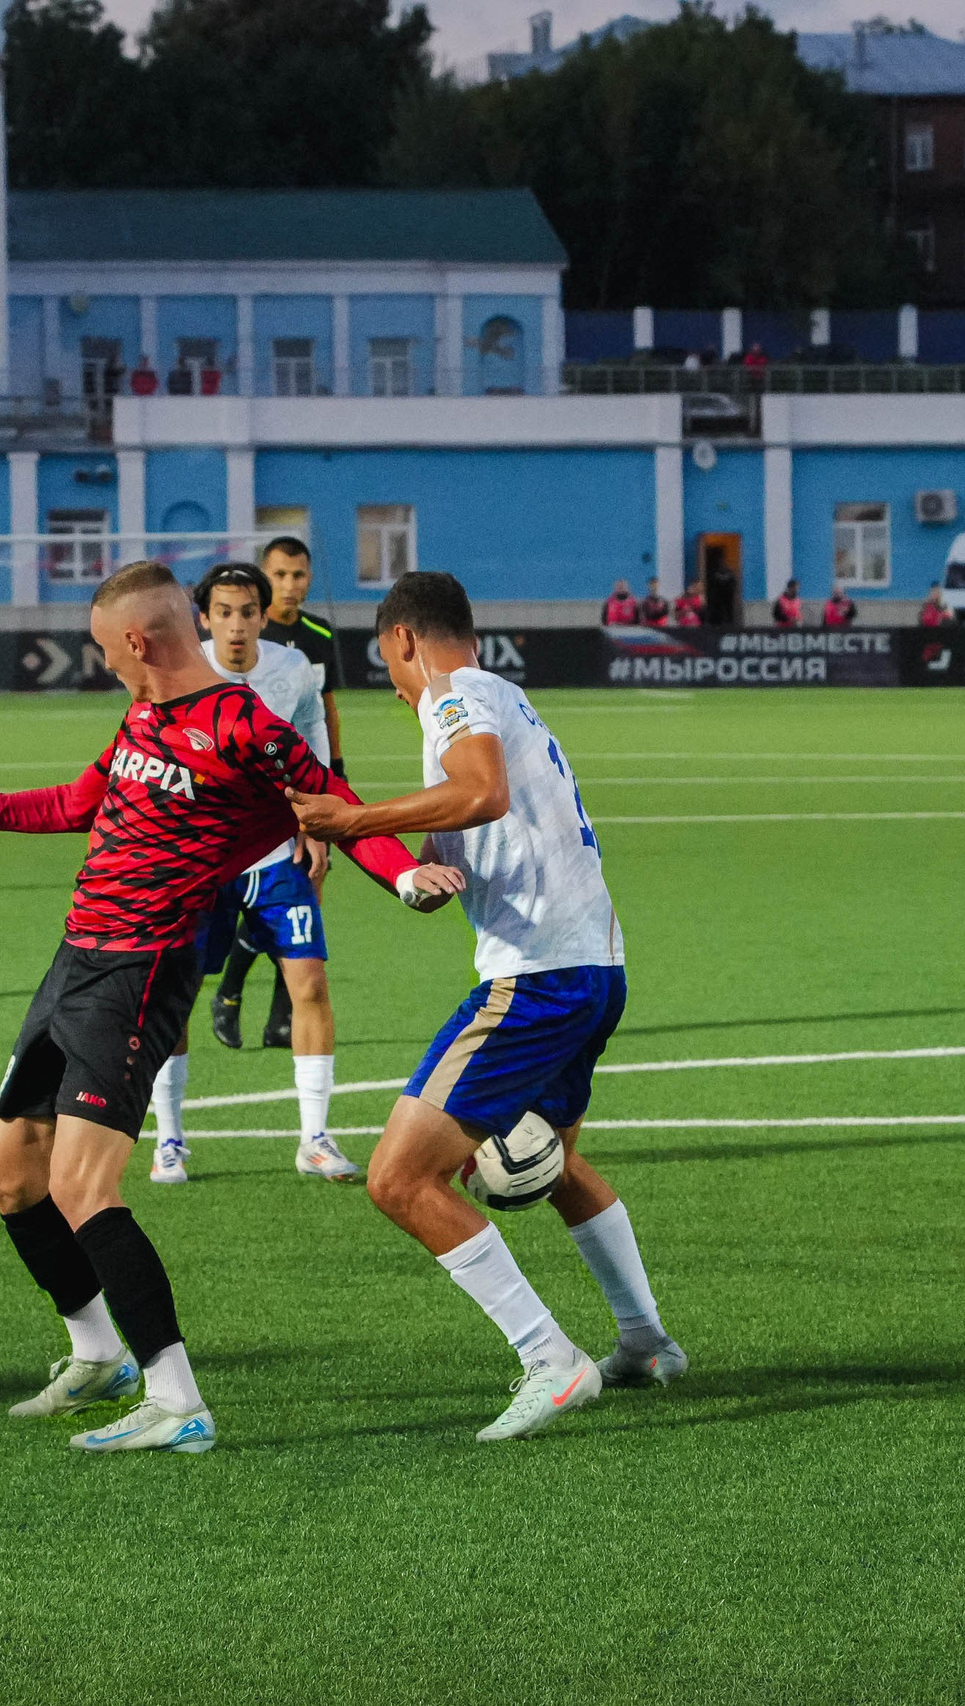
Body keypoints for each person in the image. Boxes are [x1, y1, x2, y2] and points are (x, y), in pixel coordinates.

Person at [0, 561, 460, 1453]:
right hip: (74, 961)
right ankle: (98, 1353)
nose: (105, 663)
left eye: (106, 649)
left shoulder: (242, 723)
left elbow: (331, 805)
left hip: (143, 971)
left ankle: (179, 1403)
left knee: (81, 1185)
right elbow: (74, 803)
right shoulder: (143, 716)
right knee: (11, 1175)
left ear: (137, 641)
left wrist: (404, 871)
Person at [289, 571, 681, 1443]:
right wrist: (419, 871)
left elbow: (483, 793)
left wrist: (350, 822)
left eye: (387, 666)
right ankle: (646, 1342)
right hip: (592, 965)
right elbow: (470, 819)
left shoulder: (453, 696)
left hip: (539, 979)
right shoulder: (501, 692)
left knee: (398, 1179)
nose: (391, 685)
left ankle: (551, 1359)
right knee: (553, 1165)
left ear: (402, 642)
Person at [146, 562, 362, 1186]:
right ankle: (169, 1140)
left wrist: (316, 824)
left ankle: (315, 1139)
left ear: (264, 618)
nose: (236, 626)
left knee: (311, 986)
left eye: (247, 613)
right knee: (175, 995)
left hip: (276, 855)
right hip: (201, 861)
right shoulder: (182, 671)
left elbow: (312, 737)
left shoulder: (293, 668)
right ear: (204, 619)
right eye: (223, 613)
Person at [207, 535, 344, 1053]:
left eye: (299, 575)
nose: (292, 585)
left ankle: (281, 1020)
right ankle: (232, 990)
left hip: (303, 787)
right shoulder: (221, 650)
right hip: (229, 816)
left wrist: (331, 781)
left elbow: (322, 716)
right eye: (281, 575)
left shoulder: (316, 635)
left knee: (304, 912)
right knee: (259, 911)